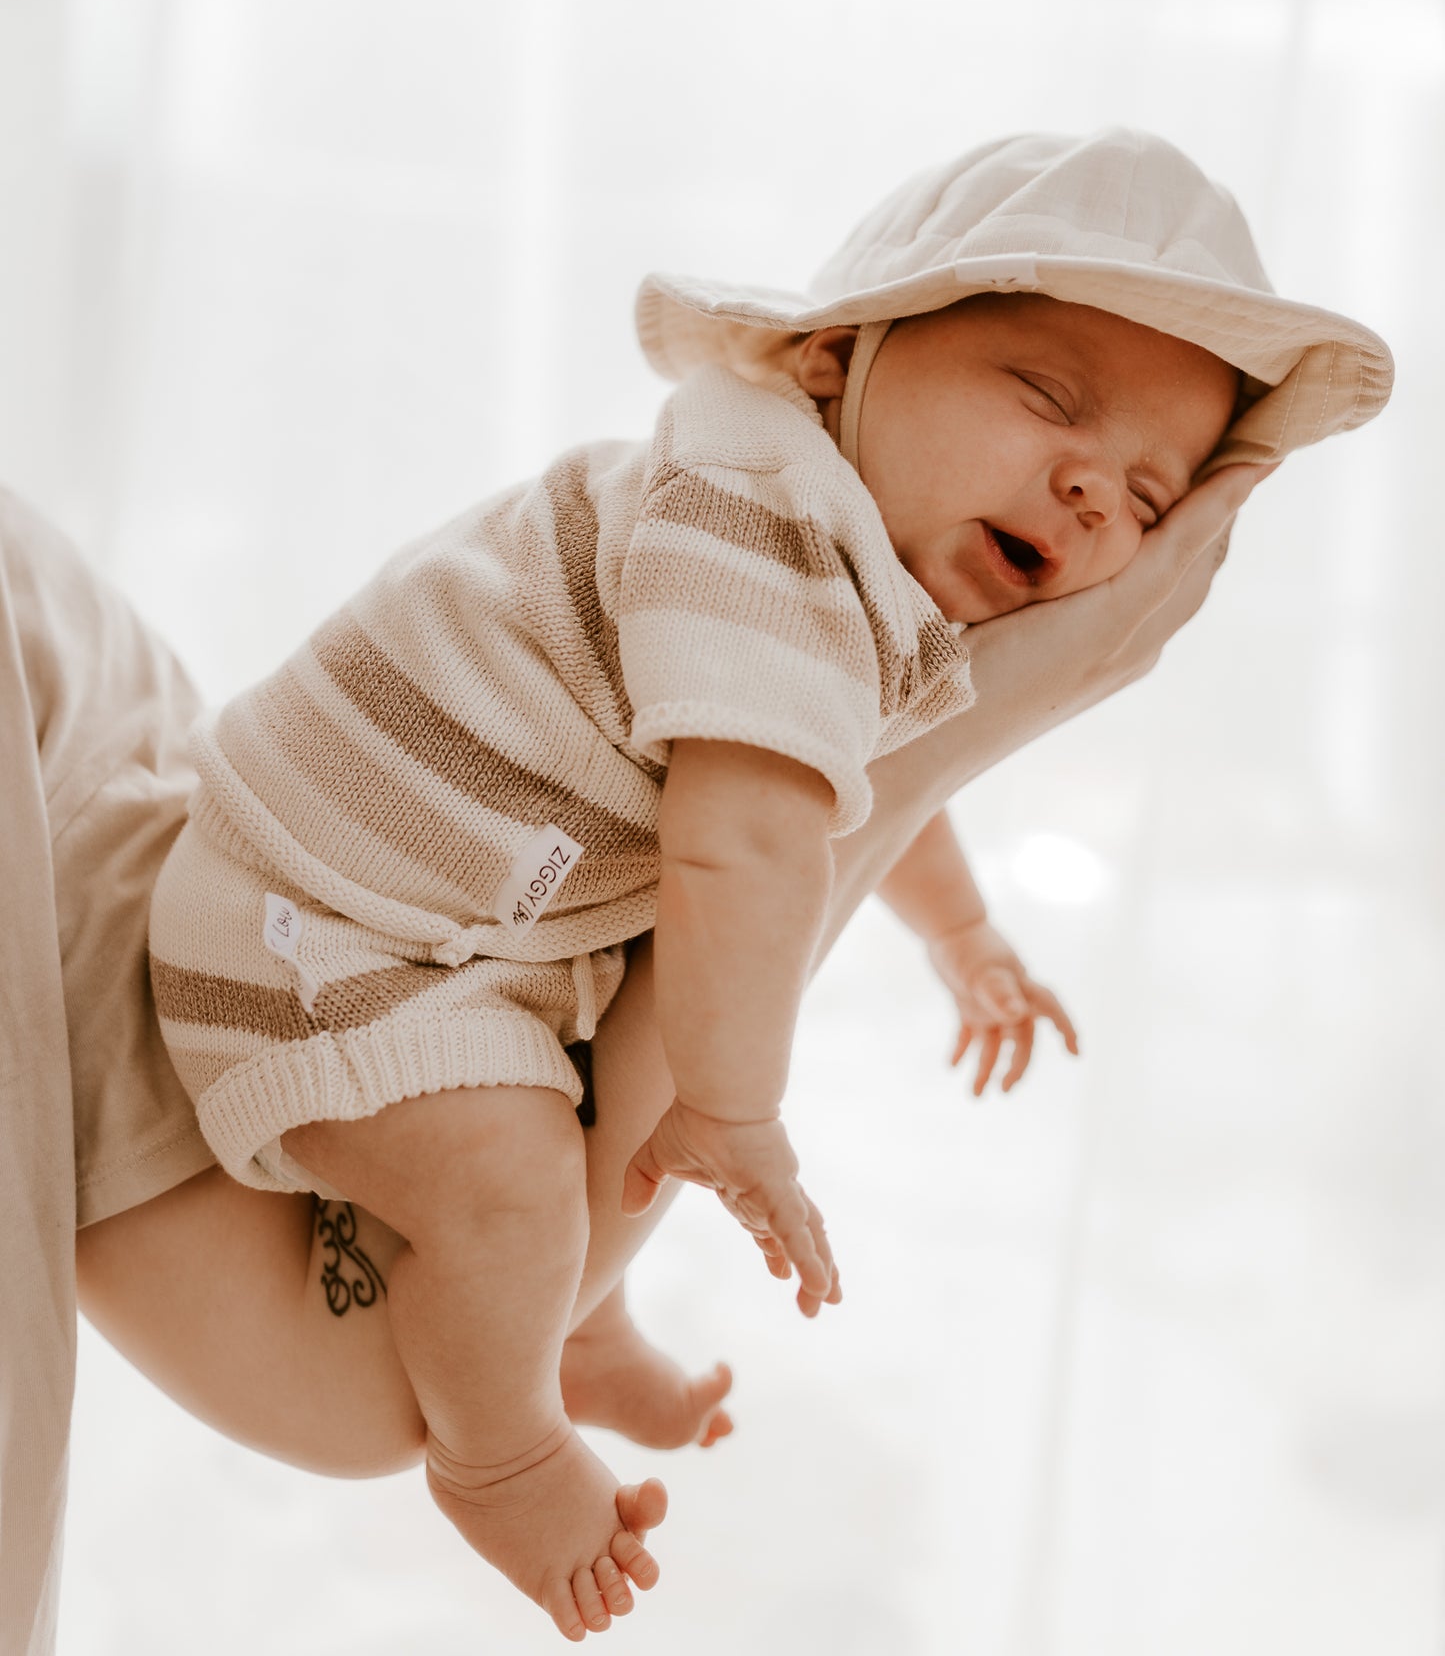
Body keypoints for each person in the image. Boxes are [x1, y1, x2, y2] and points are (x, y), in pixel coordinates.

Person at [136, 127, 1392, 1641]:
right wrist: (732, 1107)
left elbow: (833, 778)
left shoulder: (832, 571)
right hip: (314, 937)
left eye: (1142, 494)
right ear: (830, 360)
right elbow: (744, 842)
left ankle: (566, 1329)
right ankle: (501, 1456)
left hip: (455, 915)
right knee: (520, 1180)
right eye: (1046, 398)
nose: (1083, 485)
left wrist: (965, 936)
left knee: (568, 1099)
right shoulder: (758, 528)